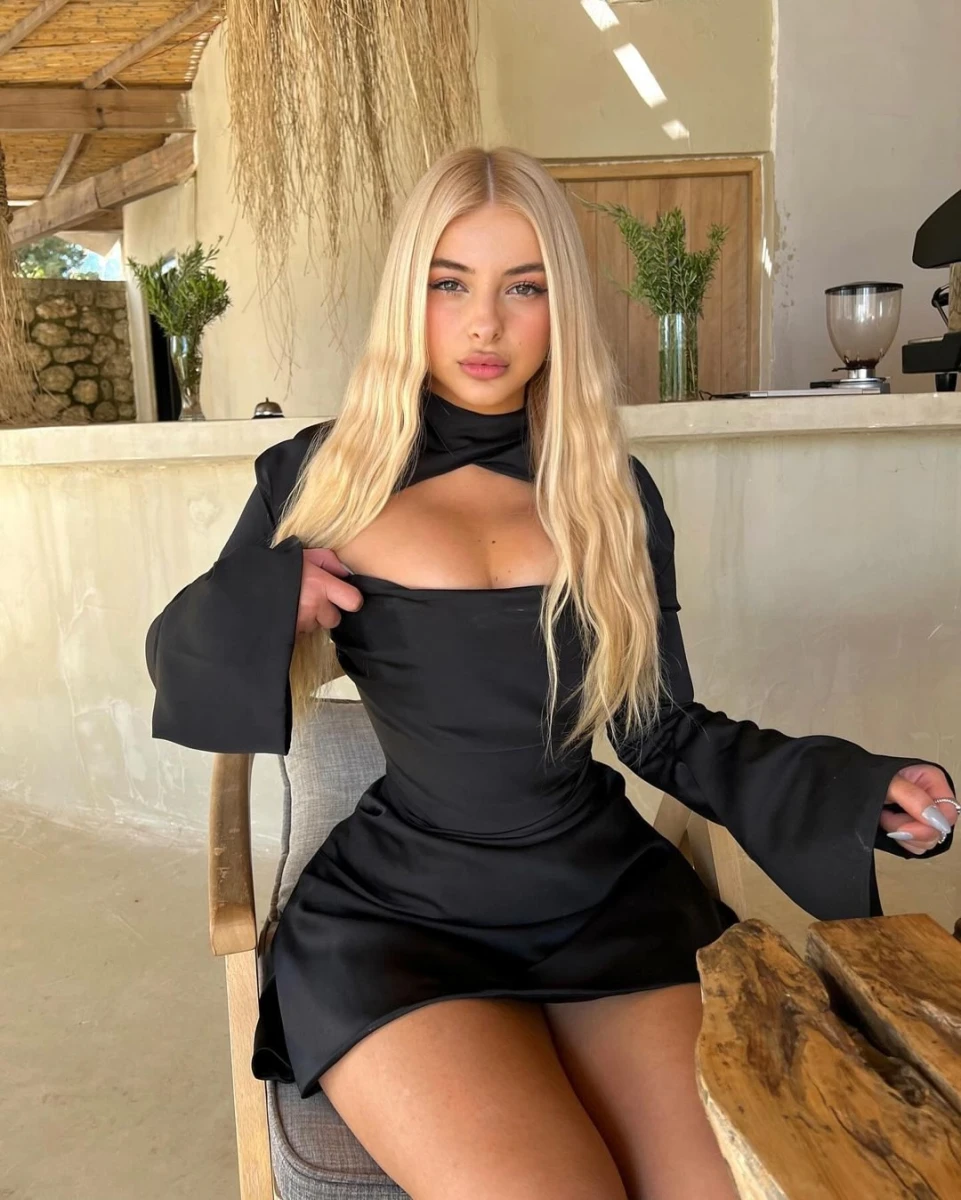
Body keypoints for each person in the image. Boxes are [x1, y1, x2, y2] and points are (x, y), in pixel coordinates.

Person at [145, 146, 957, 1200]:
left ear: (559, 306)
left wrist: (853, 789)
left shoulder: (610, 493)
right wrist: (266, 595)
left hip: (604, 904)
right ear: (408, 298)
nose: (485, 324)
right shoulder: (320, 476)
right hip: (400, 921)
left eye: (522, 288)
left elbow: (661, 730)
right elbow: (178, 663)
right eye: (450, 284)